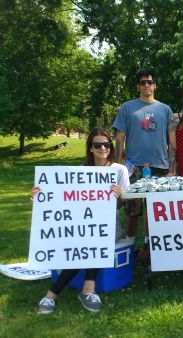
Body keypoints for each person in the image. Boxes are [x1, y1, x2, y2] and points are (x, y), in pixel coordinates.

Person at [35, 128, 130, 314]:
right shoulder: (80, 173)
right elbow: (64, 203)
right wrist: (41, 196)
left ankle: (52, 295)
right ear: (91, 149)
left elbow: (121, 207)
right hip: (82, 228)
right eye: (97, 145)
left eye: (107, 144)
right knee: (86, 239)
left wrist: (118, 197)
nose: (103, 148)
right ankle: (87, 290)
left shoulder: (119, 170)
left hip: (109, 228)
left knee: (92, 239)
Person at [113, 69, 173, 262]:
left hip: (160, 166)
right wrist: (117, 164)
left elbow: (172, 141)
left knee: (154, 209)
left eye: (150, 82)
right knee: (132, 209)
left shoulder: (165, 110)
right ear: (138, 86)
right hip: (134, 166)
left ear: (155, 85)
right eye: (143, 82)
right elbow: (120, 138)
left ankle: (149, 248)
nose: (146, 85)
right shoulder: (127, 108)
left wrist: (172, 168)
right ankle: (130, 247)